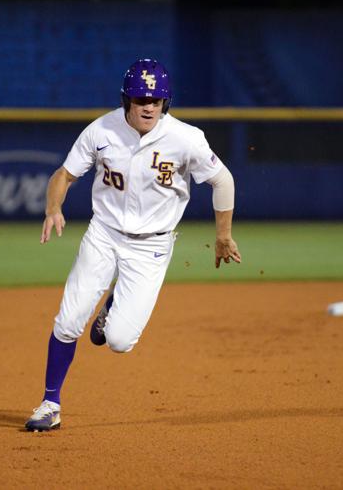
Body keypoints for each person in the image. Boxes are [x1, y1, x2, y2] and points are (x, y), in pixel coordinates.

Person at [25, 59, 242, 431]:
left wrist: (223, 235)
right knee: (69, 320)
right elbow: (65, 174)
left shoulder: (186, 139)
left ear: (166, 103)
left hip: (152, 247)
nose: (148, 106)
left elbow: (223, 181)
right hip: (104, 235)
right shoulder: (101, 130)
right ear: (127, 99)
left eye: (156, 100)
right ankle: (50, 402)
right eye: (141, 98)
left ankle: (111, 306)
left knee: (120, 342)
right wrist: (53, 207)